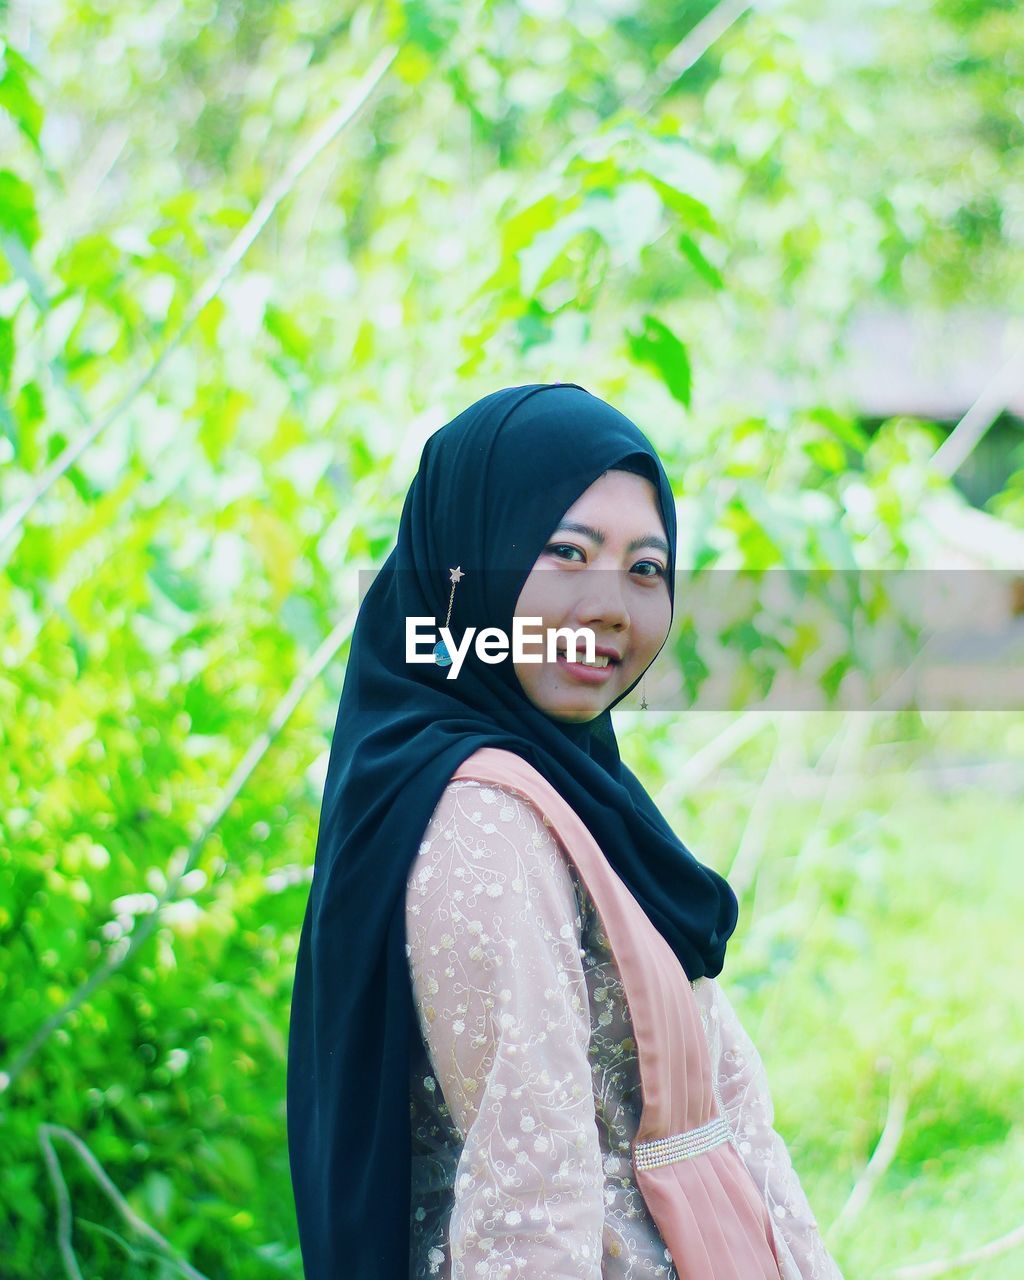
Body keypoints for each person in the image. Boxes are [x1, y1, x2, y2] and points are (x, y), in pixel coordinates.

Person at [286, 383, 844, 1280]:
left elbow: (732, 1117)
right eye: (564, 553)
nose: (610, 605)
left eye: (646, 569)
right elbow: (528, 1204)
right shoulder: (483, 819)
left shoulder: (577, 789)